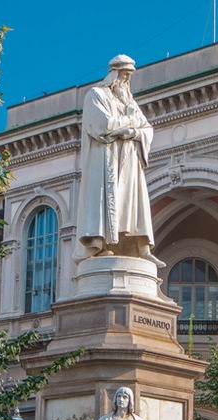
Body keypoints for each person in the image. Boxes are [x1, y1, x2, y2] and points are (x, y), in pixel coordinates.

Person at [77, 54, 164, 267]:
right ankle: (99, 246)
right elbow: (103, 126)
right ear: (114, 73)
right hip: (106, 161)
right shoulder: (96, 96)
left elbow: (147, 130)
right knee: (106, 202)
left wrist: (130, 130)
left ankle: (140, 248)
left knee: (133, 204)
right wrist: (129, 125)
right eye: (124, 75)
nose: (126, 81)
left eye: (129, 77)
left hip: (129, 163)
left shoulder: (130, 103)